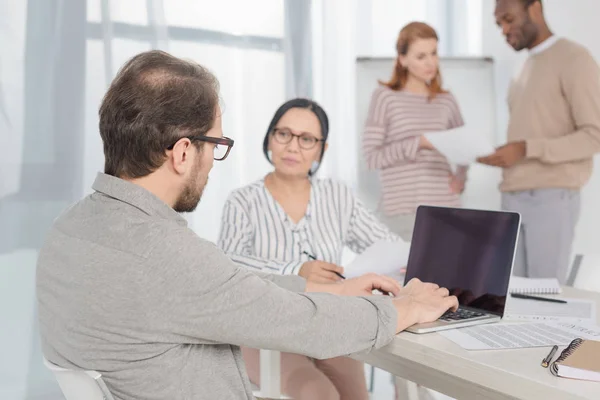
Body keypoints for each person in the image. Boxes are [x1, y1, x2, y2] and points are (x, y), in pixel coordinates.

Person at [36, 50, 458, 400]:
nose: (214, 162)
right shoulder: (168, 253)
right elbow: (299, 323)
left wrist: (330, 288)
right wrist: (406, 307)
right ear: (183, 152)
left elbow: (227, 287)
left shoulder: (68, 229)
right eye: (216, 143)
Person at [218, 98, 405, 399]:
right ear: (270, 137)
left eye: (307, 140)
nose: (293, 147)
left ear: (322, 148)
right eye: (284, 134)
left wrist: (409, 259)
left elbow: (384, 245)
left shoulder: (338, 196)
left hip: (326, 322)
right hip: (263, 331)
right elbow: (228, 266)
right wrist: (296, 270)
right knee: (319, 394)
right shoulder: (243, 201)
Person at [478, 0, 600, 283]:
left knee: (543, 297)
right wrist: (501, 154)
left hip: (549, 199)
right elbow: (532, 131)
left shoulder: (574, 59)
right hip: (512, 197)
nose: (504, 30)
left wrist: (526, 149)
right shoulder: (524, 67)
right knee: (510, 297)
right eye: (499, 24)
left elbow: (595, 135)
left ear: (535, 8)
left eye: (509, 19)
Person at [362, 21, 468, 242]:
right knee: (404, 276)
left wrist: (460, 177)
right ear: (403, 60)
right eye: (421, 56)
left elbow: (464, 146)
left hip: (445, 208)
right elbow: (371, 157)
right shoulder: (384, 97)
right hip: (402, 210)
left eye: (434, 53)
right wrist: (418, 143)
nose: (431, 62)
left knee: (447, 275)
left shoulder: (446, 100)